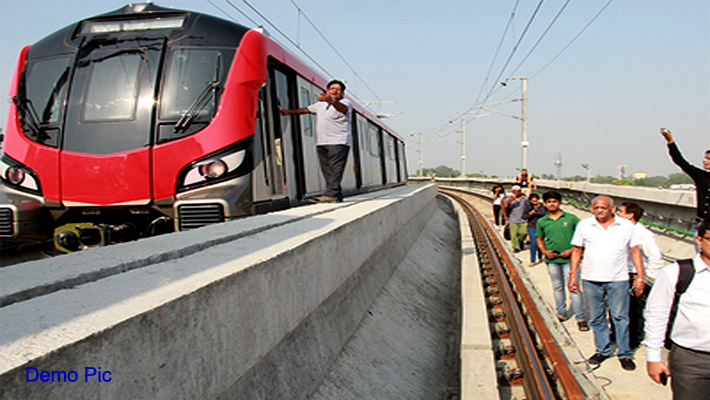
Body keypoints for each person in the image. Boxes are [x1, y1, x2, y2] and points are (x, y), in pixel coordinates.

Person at [568, 195, 645, 371]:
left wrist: (640, 277)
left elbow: (635, 252)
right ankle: (602, 350)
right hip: (591, 279)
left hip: (618, 279)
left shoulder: (626, 226)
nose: (599, 210)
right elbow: (577, 250)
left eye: (602, 207)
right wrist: (573, 275)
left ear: (613, 208)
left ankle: (624, 353)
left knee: (620, 317)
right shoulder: (585, 225)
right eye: (595, 207)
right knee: (596, 317)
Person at [644, 218, 710, 399]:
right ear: (699, 240)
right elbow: (657, 315)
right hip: (692, 361)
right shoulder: (677, 273)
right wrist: (653, 357)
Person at [280, 80, 352, 203]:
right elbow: (305, 110)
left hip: (339, 141)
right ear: (327, 90)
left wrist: (332, 101)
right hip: (322, 141)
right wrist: (287, 112)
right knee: (327, 170)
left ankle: (331, 194)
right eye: (331, 88)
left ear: (342, 93)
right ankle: (336, 194)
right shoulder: (320, 105)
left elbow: (343, 109)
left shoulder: (345, 103)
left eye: (338, 89)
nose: (334, 91)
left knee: (336, 168)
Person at [535, 191, 589, 331]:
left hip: (570, 260)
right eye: (548, 202)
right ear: (545, 204)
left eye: (554, 201)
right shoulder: (542, 221)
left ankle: (580, 317)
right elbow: (539, 238)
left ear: (559, 203)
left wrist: (571, 251)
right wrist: (544, 251)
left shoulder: (571, 219)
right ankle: (561, 313)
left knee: (574, 287)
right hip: (552, 259)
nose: (551, 204)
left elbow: (582, 237)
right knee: (557, 286)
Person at [616, 202, 665, 349]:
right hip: (621, 275)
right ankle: (617, 335)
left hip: (635, 276)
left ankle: (632, 341)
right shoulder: (622, 230)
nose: (617, 213)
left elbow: (655, 258)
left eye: (620, 211)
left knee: (633, 311)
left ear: (630, 215)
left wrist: (644, 278)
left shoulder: (643, 234)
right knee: (619, 308)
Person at [660, 128, 710, 233]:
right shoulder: (701, 176)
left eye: (708, 159)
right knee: (700, 249)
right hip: (701, 223)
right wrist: (670, 142)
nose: (704, 161)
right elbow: (681, 162)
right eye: (705, 158)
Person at [503, 185, 529, 252]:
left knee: (523, 233)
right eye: (514, 191)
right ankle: (515, 247)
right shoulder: (509, 199)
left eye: (518, 191)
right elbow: (504, 207)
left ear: (520, 191)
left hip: (523, 219)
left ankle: (520, 241)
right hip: (513, 219)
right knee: (513, 235)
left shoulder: (525, 199)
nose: (516, 192)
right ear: (512, 191)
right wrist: (509, 201)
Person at [525, 193, 547, 267]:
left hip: (542, 227)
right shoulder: (528, 207)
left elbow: (547, 215)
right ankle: (532, 260)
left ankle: (540, 257)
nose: (535, 203)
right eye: (533, 201)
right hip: (532, 226)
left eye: (536, 201)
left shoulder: (543, 207)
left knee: (541, 243)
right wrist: (531, 214)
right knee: (534, 243)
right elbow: (524, 217)